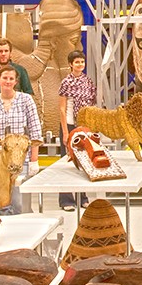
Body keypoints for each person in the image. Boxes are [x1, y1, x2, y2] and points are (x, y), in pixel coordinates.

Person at [0, 65, 43, 215]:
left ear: (16, 82)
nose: (7, 81)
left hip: (20, 161)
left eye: (11, 78)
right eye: (4, 78)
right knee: (1, 204)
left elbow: (35, 131)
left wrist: (34, 160)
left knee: (18, 203)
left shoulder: (26, 100)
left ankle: (23, 235)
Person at [56, 50, 96, 211]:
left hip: (83, 126)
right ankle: (66, 200)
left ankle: (82, 197)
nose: (80, 64)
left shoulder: (88, 81)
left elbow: (92, 105)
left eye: (82, 62)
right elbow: (61, 108)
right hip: (70, 124)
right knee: (67, 162)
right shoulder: (66, 82)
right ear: (71, 64)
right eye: (77, 62)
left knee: (83, 161)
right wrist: (65, 132)